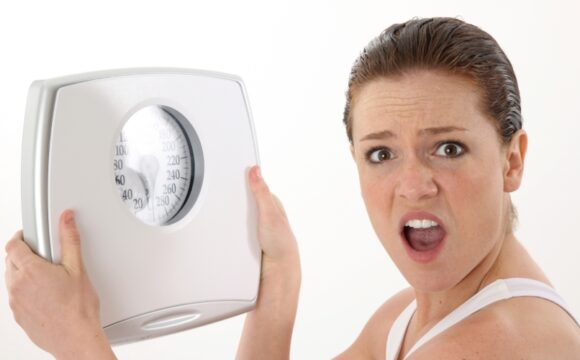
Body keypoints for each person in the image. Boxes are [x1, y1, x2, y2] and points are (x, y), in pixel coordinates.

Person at [6, 17, 580, 359]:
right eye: (381, 153)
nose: (412, 185)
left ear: (513, 160)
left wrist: (78, 345)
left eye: (447, 148)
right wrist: (278, 288)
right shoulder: (408, 317)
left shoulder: (500, 343)